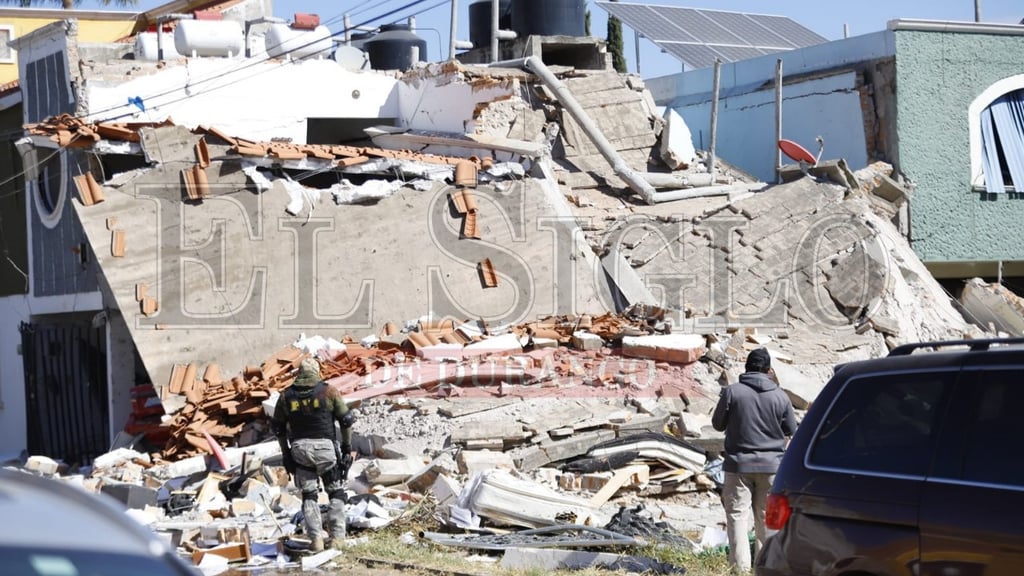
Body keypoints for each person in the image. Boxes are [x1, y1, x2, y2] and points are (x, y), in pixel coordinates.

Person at [711, 347, 797, 574]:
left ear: (746, 368)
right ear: (769, 370)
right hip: (772, 468)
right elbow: (792, 430)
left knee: (737, 517)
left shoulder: (732, 392)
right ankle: (764, 569)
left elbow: (717, 424)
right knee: (766, 520)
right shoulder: (781, 396)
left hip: (738, 466)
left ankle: (739, 570)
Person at [272, 357, 355, 552]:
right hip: (326, 450)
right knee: (336, 493)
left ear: (299, 373)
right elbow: (346, 421)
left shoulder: (286, 396)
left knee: (309, 496)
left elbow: (278, 429)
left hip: (300, 451)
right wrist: (346, 448)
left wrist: (286, 455)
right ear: (316, 372)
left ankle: (316, 540)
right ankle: (337, 539)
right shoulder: (328, 391)